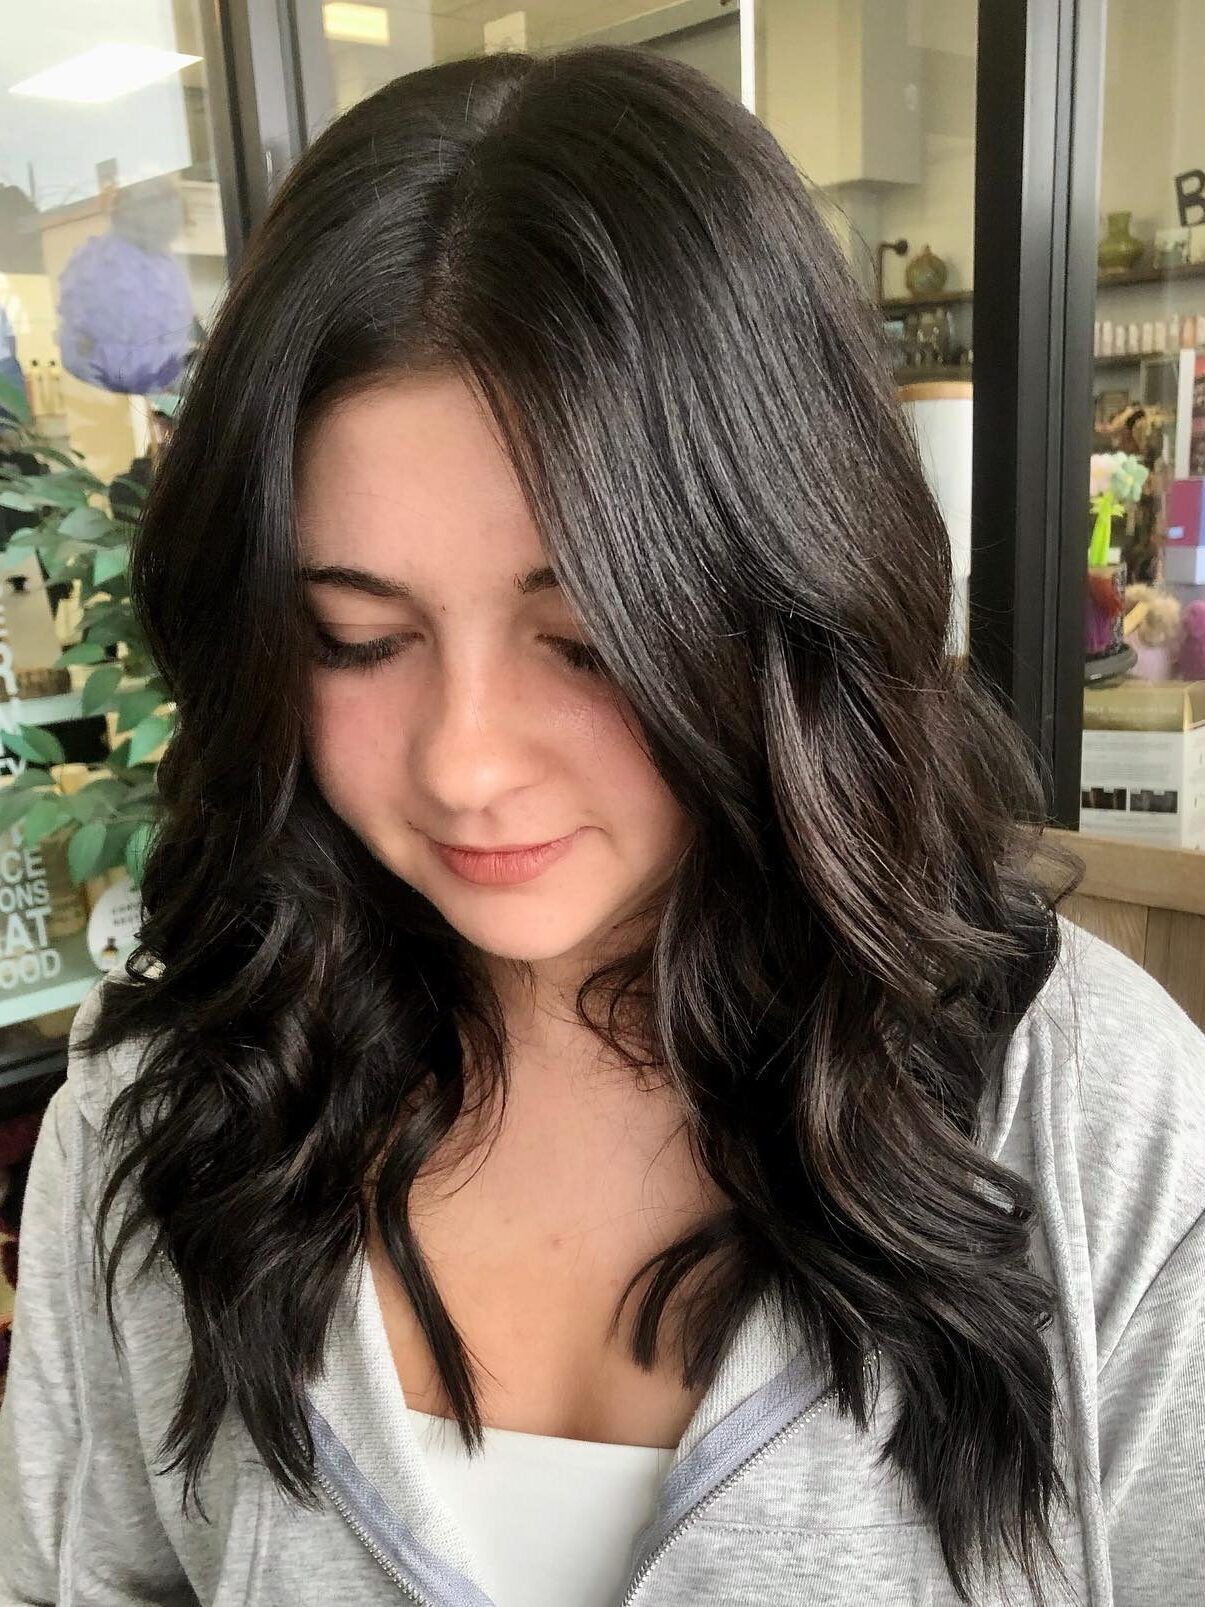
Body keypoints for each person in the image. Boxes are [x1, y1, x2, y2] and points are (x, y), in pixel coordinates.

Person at [0, 44, 1202, 1607]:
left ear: (786, 598)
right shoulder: (163, 1104)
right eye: (357, 639)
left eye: (585, 644)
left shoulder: (1096, 1127)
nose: (465, 764)